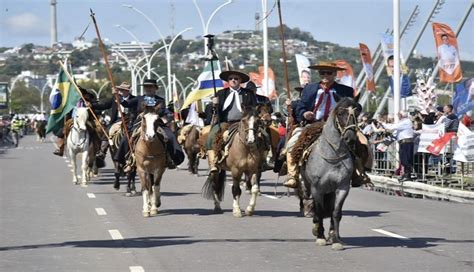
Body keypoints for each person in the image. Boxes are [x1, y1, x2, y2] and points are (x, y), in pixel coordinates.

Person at [284, 61, 366, 188]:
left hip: (339, 127)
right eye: (322, 72)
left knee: (362, 143)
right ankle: (292, 174)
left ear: (334, 74)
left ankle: (359, 173)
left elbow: (357, 105)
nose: (325, 75)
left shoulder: (346, 90)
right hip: (313, 124)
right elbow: (301, 105)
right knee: (292, 144)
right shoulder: (309, 88)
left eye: (329, 72)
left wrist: (353, 110)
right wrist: (305, 113)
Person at [118, 79, 184, 170]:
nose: (148, 89)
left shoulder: (160, 100)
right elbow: (126, 104)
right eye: (146, 87)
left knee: (170, 136)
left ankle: (172, 159)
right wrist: (118, 96)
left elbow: (163, 111)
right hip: (141, 123)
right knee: (126, 138)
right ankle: (126, 160)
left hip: (156, 123)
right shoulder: (138, 98)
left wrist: (163, 115)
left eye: (151, 87)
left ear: (155, 88)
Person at [205, 70, 257, 176]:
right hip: (226, 123)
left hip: (244, 123)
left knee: (263, 134)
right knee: (211, 136)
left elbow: (253, 108)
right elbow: (212, 110)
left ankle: (265, 159)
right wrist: (213, 105)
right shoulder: (221, 93)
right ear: (228, 81)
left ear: (240, 81)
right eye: (231, 78)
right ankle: (213, 162)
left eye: (236, 78)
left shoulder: (248, 93)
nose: (233, 80)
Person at [88, 82, 136, 160]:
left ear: (128, 91)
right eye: (121, 90)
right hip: (117, 120)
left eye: (124, 90)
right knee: (107, 131)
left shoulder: (134, 99)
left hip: (129, 121)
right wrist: (92, 105)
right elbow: (104, 105)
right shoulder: (114, 98)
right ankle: (103, 150)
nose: (122, 91)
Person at [381, 111, 415, 182]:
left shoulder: (406, 122)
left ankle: (408, 175)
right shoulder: (402, 122)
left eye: (399, 115)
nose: (398, 116)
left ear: (402, 115)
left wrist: (383, 123)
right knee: (403, 159)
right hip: (403, 142)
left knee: (406, 159)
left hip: (407, 142)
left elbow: (392, 127)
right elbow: (394, 130)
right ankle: (405, 174)